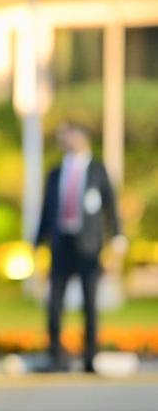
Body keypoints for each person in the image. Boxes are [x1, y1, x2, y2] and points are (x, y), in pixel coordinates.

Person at [34, 121, 125, 372]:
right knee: (54, 302)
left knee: (90, 302)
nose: (64, 140)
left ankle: (89, 357)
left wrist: (117, 237)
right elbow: (47, 209)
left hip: (89, 247)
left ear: (81, 137)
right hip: (61, 243)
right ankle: (56, 355)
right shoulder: (55, 171)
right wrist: (37, 241)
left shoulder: (97, 170)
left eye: (68, 135)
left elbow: (111, 206)